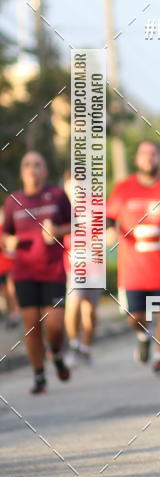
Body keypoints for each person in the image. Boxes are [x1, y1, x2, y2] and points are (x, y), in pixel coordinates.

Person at [106, 140, 160, 375]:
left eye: (153, 154)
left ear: (159, 159)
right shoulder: (123, 188)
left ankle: (159, 357)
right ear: (136, 160)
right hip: (133, 269)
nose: (148, 158)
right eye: (143, 154)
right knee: (136, 316)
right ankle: (142, 334)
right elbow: (110, 215)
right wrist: (110, 228)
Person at [2, 152, 71, 394]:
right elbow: (5, 234)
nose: (32, 169)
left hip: (53, 271)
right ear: (22, 171)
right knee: (31, 327)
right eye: (27, 164)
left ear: (45, 170)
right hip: (24, 273)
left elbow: (75, 224)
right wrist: (7, 241)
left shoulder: (57, 196)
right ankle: (39, 375)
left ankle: (56, 352)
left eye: (37, 165)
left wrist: (58, 229)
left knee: (55, 326)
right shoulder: (13, 201)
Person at [63, 171, 103, 366]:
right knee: (73, 303)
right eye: (72, 186)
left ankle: (85, 348)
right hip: (73, 266)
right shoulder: (61, 208)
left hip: (94, 266)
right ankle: (73, 344)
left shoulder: (95, 206)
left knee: (90, 312)